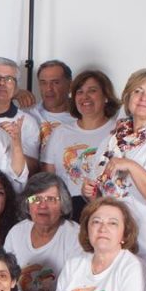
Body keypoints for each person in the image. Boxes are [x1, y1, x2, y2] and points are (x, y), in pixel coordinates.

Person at [83, 69, 146, 266]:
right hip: (115, 247)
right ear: (128, 97)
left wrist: (130, 165)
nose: (144, 98)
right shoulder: (111, 141)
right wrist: (90, 193)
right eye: (138, 91)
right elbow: (102, 198)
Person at [4, 173, 83, 291]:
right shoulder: (16, 232)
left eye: (51, 199)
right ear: (27, 205)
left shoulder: (75, 236)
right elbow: (4, 280)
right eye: (35, 199)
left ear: (63, 205)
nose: (42, 205)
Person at [42, 69, 120, 218]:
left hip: (104, 212)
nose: (85, 97)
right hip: (66, 213)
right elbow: (49, 179)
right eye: (80, 92)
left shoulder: (117, 132)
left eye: (92, 90)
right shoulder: (60, 132)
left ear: (106, 97)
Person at [0, 58, 43, 173]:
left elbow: (33, 168)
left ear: (16, 88)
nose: (1, 83)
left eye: (9, 79)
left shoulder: (27, 122)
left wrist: (14, 144)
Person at [27, 59, 77, 153]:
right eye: (43, 83)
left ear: (70, 85)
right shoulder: (30, 116)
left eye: (55, 82)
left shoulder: (84, 116)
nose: (49, 89)